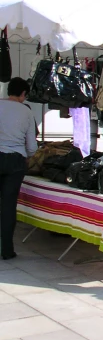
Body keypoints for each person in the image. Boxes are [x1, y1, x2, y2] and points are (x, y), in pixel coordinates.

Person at [0, 77, 37, 260]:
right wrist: (30, 155)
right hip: (15, 161)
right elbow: (31, 145)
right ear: (23, 94)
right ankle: (6, 250)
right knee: (8, 205)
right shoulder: (26, 112)